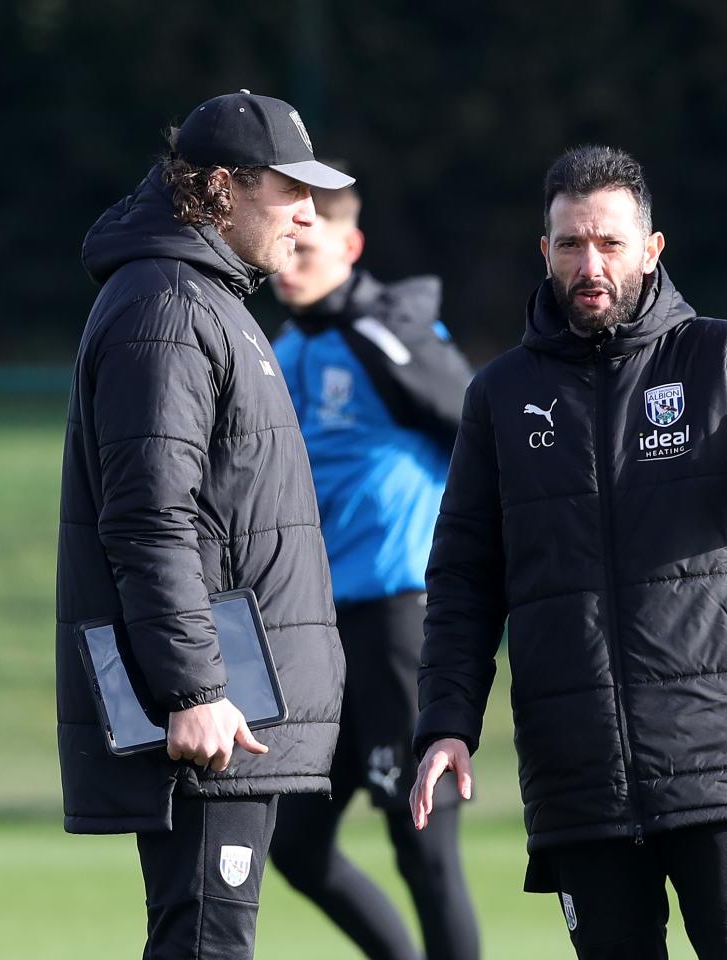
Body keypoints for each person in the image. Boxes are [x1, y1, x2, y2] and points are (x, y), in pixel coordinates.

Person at [410, 145, 727, 960]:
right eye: (569, 245)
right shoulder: (500, 396)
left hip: (721, 761)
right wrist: (447, 722)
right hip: (579, 772)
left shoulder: (723, 357)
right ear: (545, 253)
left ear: (652, 249)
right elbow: (463, 579)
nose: (588, 264)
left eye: (610, 243)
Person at [55, 90, 353, 960]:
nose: (308, 210)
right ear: (222, 187)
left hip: (236, 704)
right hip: (215, 718)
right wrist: (192, 689)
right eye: (288, 188)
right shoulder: (169, 308)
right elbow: (150, 516)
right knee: (206, 945)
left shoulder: (207, 298)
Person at [268, 173, 480, 960]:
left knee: (424, 852)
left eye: (309, 247)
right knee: (294, 847)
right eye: (284, 244)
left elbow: (480, 433)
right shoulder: (287, 348)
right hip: (319, 634)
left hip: (401, 625)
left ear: (351, 248)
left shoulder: (387, 338)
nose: (290, 262)